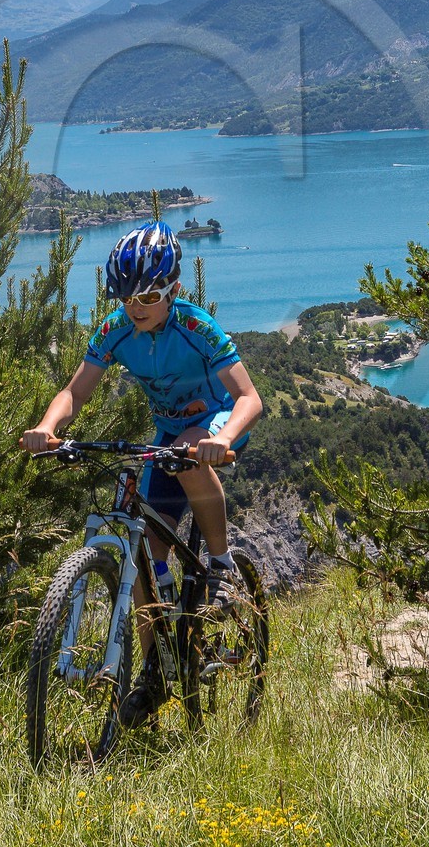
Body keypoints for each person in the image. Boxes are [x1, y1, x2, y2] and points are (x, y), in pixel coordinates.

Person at [22, 220, 262, 725]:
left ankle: (220, 563)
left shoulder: (196, 327)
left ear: (173, 289)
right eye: (126, 297)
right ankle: (155, 670)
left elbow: (249, 398)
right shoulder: (115, 330)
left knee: (187, 449)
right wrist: (48, 426)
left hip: (215, 425)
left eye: (149, 296)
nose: (137, 307)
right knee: (145, 556)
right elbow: (75, 392)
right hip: (167, 434)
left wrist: (220, 439)